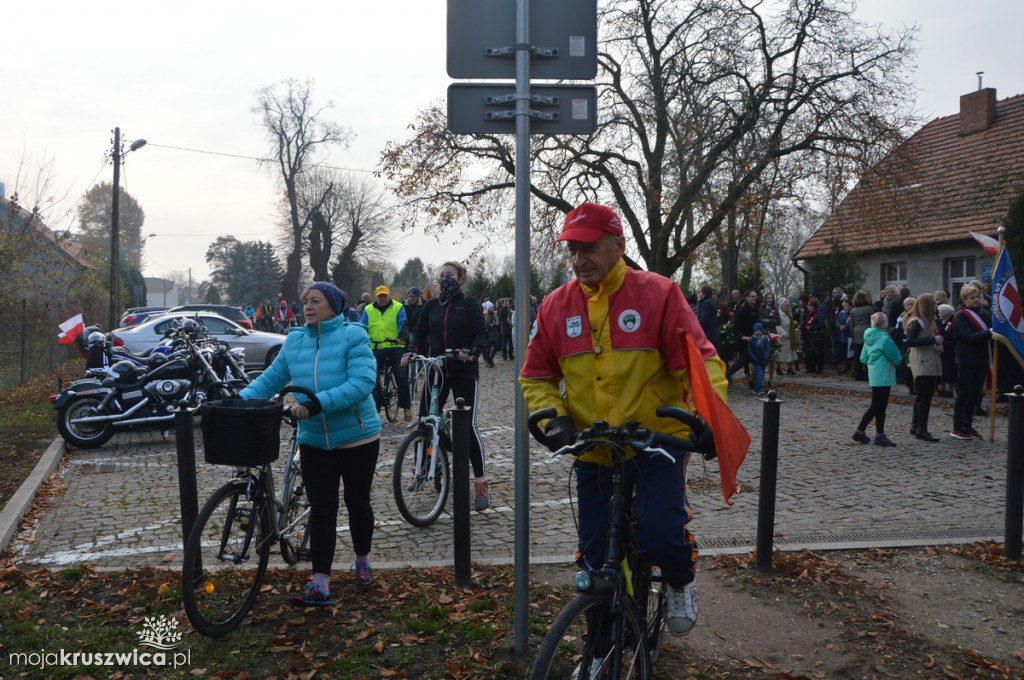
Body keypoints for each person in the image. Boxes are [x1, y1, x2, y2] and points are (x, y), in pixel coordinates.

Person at [519, 202, 727, 638]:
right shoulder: (555, 306)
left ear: (618, 245)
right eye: (572, 249)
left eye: (589, 247)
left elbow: (699, 363)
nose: (579, 259)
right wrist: (556, 420)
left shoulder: (659, 293)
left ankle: (679, 580)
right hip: (594, 448)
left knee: (660, 536)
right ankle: (599, 651)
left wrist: (709, 418)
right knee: (595, 560)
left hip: (656, 442)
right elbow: (536, 376)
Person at [239, 282, 381, 604]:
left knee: (357, 504)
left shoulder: (353, 335)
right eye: (306, 301)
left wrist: (316, 403)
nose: (308, 306)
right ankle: (320, 583)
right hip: (314, 439)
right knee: (322, 510)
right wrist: (239, 400)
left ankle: (362, 561)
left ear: (333, 306)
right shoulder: (295, 341)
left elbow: (361, 383)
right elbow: (271, 379)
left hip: (358, 437)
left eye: (316, 301)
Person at [403, 261, 491, 510]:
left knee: (469, 426)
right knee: (425, 419)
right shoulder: (430, 305)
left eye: (449, 275)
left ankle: (481, 481)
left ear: (461, 278)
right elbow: (419, 333)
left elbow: (480, 333)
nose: (445, 280)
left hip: (462, 368)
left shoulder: (469, 304)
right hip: (436, 368)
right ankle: (421, 469)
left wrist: (472, 350)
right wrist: (412, 351)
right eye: (441, 276)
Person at [361, 286, 413, 422]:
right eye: (380, 296)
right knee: (371, 378)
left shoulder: (398, 307)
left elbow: (403, 323)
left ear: (389, 295)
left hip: (395, 347)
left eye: (385, 296)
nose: (383, 298)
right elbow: (362, 326)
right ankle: (374, 408)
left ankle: (406, 406)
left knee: (401, 376)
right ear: (376, 297)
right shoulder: (368, 309)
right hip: (375, 347)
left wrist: (402, 337)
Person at [852, 312, 902, 447]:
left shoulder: (869, 337)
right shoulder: (885, 339)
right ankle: (861, 431)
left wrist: (873, 363)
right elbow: (896, 358)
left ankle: (878, 433)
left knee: (879, 405)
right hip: (885, 373)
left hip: (874, 373)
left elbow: (863, 358)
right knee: (878, 405)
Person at [951, 283, 991, 440]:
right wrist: (988, 333)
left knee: (974, 394)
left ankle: (968, 425)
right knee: (964, 394)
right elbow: (966, 336)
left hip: (981, 359)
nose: (976, 300)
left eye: (977, 297)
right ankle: (958, 426)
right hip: (965, 359)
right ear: (964, 299)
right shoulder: (960, 315)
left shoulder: (983, 313)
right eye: (972, 298)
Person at [905, 293, 944, 442]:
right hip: (922, 362)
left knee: (922, 396)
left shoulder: (927, 321)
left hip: (928, 360)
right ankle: (922, 428)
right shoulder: (916, 321)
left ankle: (916, 426)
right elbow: (910, 341)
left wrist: (938, 346)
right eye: (933, 304)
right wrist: (932, 339)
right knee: (924, 397)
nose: (936, 307)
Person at [725, 290, 759, 387]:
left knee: (754, 361)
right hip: (744, 340)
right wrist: (742, 336)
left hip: (754, 339)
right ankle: (726, 375)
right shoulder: (742, 310)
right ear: (747, 298)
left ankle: (753, 382)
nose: (755, 298)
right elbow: (736, 328)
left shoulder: (756, 309)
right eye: (752, 296)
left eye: (755, 296)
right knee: (741, 361)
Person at [849, 290, 874, 381]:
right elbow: (873, 322)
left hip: (856, 333)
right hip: (867, 333)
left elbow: (851, 326)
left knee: (858, 355)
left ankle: (857, 373)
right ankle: (867, 374)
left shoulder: (853, 310)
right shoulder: (869, 309)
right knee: (867, 355)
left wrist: (853, 338)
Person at [937, 303, 957, 397]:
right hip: (940, 349)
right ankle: (941, 388)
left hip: (950, 350)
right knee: (941, 369)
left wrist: (944, 345)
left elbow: (954, 337)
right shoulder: (939, 322)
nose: (939, 314)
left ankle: (949, 390)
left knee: (949, 370)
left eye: (940, 312)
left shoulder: (953, 322)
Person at [776, 298, 798, 375]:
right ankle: (778, 368)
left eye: (788, 305)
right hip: (783, 336)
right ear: (781, 306)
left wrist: (794, 324)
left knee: (791, 352)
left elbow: (790, 322)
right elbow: (778, 325)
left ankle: (790, 368)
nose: (788, 307)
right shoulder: (779, 314)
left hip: (790, 335)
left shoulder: (789, 313)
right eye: (786, 305)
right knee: (780, 353)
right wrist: (783, 333)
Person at [747, 323, 771, 396]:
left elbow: (767, 349)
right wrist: (753, 357)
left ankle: (757, 388)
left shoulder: (765, 339)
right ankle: (759, 388)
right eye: (756, 331)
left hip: (763, 359)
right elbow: (750, 350)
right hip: (756, 360)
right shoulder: (751, 340)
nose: (758, 332)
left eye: (759, 331)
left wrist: (766, 357)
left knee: (762, 374)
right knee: (759, 374)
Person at [697, 285, 720, 353]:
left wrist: (696, 324)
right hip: (713, 333)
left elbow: (704, 319)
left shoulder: (705, 303)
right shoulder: (712, 302)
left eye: (700, 292)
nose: (699, 294)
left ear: (703, 293)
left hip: (707, 334)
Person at [835, 297, 852, 374]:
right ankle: (844, 365)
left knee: (849, 352)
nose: (844, 307)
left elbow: (849, 322)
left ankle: (850, 366)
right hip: (841, 336)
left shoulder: (850, 313)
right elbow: (837, 320)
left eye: (846, 305)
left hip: (848, 335)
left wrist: (845, 327)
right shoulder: (841, 313)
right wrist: (839, 326)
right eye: (843, 305)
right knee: (842, 352)